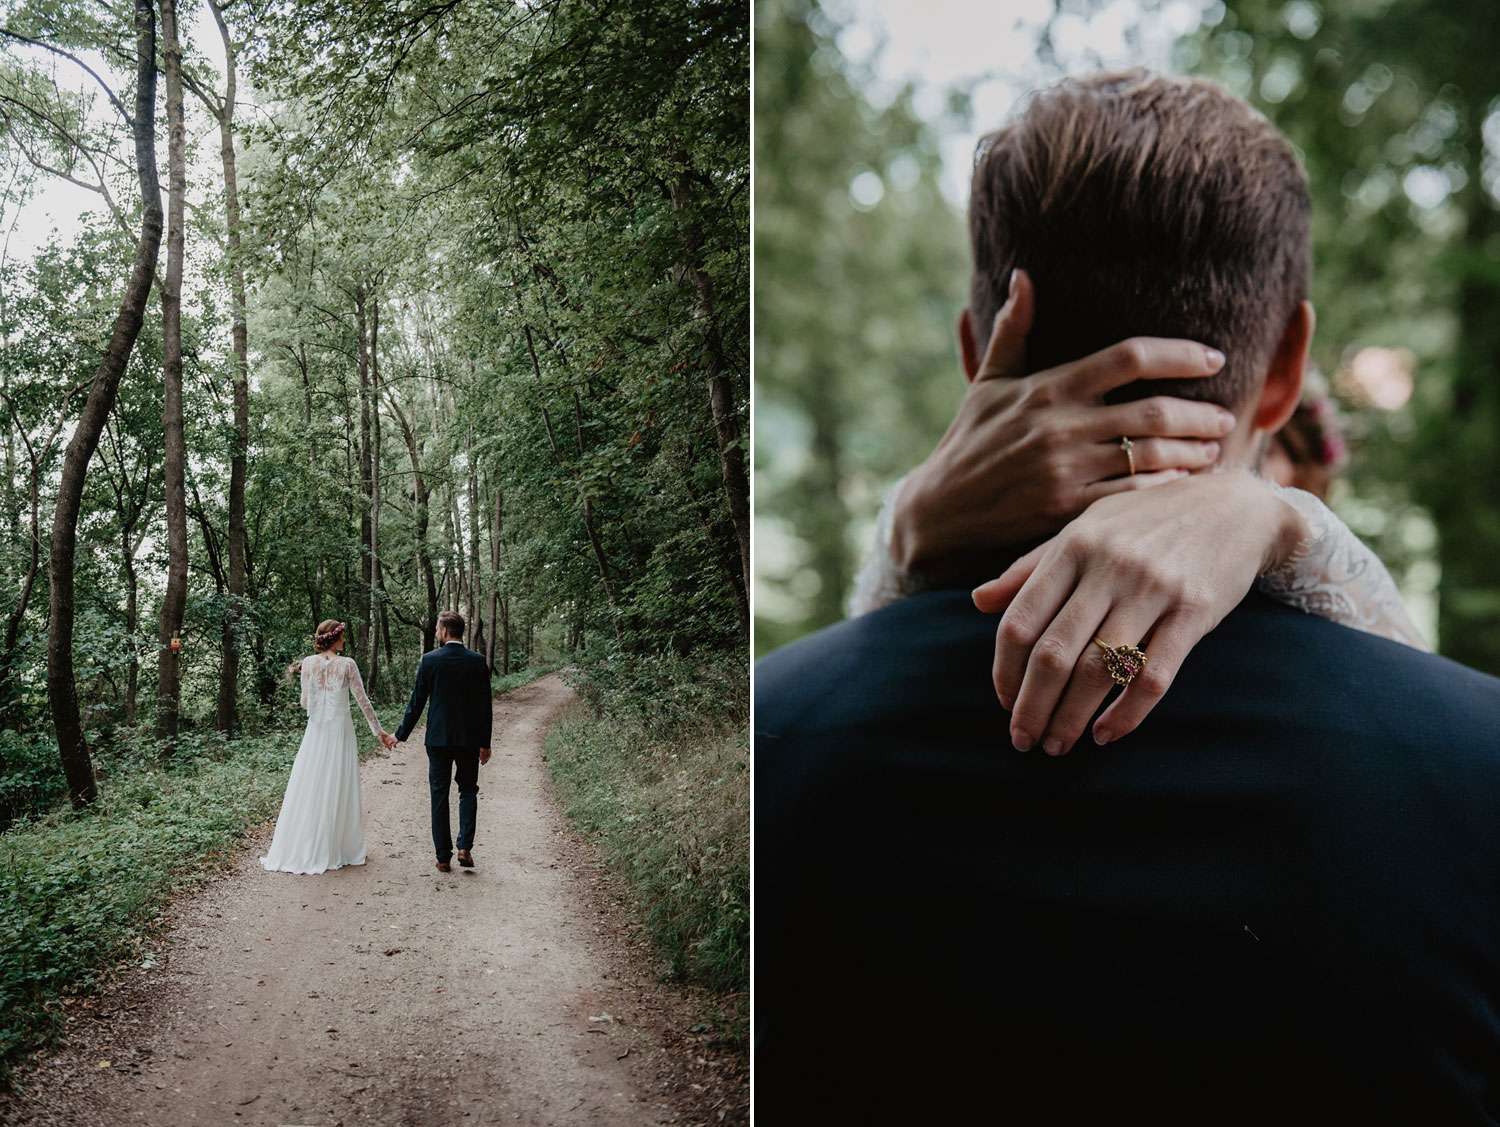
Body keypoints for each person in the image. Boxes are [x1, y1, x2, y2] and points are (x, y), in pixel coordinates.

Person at [755, 71, 1500, 1122]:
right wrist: (1286, 520)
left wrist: (910, 538)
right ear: (1288, 365)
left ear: (978, 359)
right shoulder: (1476, 762)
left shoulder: (774, 733)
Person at [261, 620, 391, 875]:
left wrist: (319, 696)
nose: (345, 640)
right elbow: (362, 701)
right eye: (343, 636)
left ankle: (307, 844)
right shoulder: (348, 664)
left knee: (312, 782)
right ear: (335, 638)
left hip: (316, 732)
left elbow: (305, 703)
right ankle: (336, 847)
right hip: (340, 730)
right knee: (338, 782)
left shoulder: (307, 664)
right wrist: (379, 732)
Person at [390, 610, 493, 873]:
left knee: (439, 794)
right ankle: (464, 846)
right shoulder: (478, 662)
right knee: (468, 789)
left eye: (437, 629)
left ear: (445, 631)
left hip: (437, 739)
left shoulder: (429, 661)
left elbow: (417, 703)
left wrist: (400, 735)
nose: (436, 633)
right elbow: (485, 707)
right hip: (469, 739)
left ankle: (442, 857)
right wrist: (485, 742)